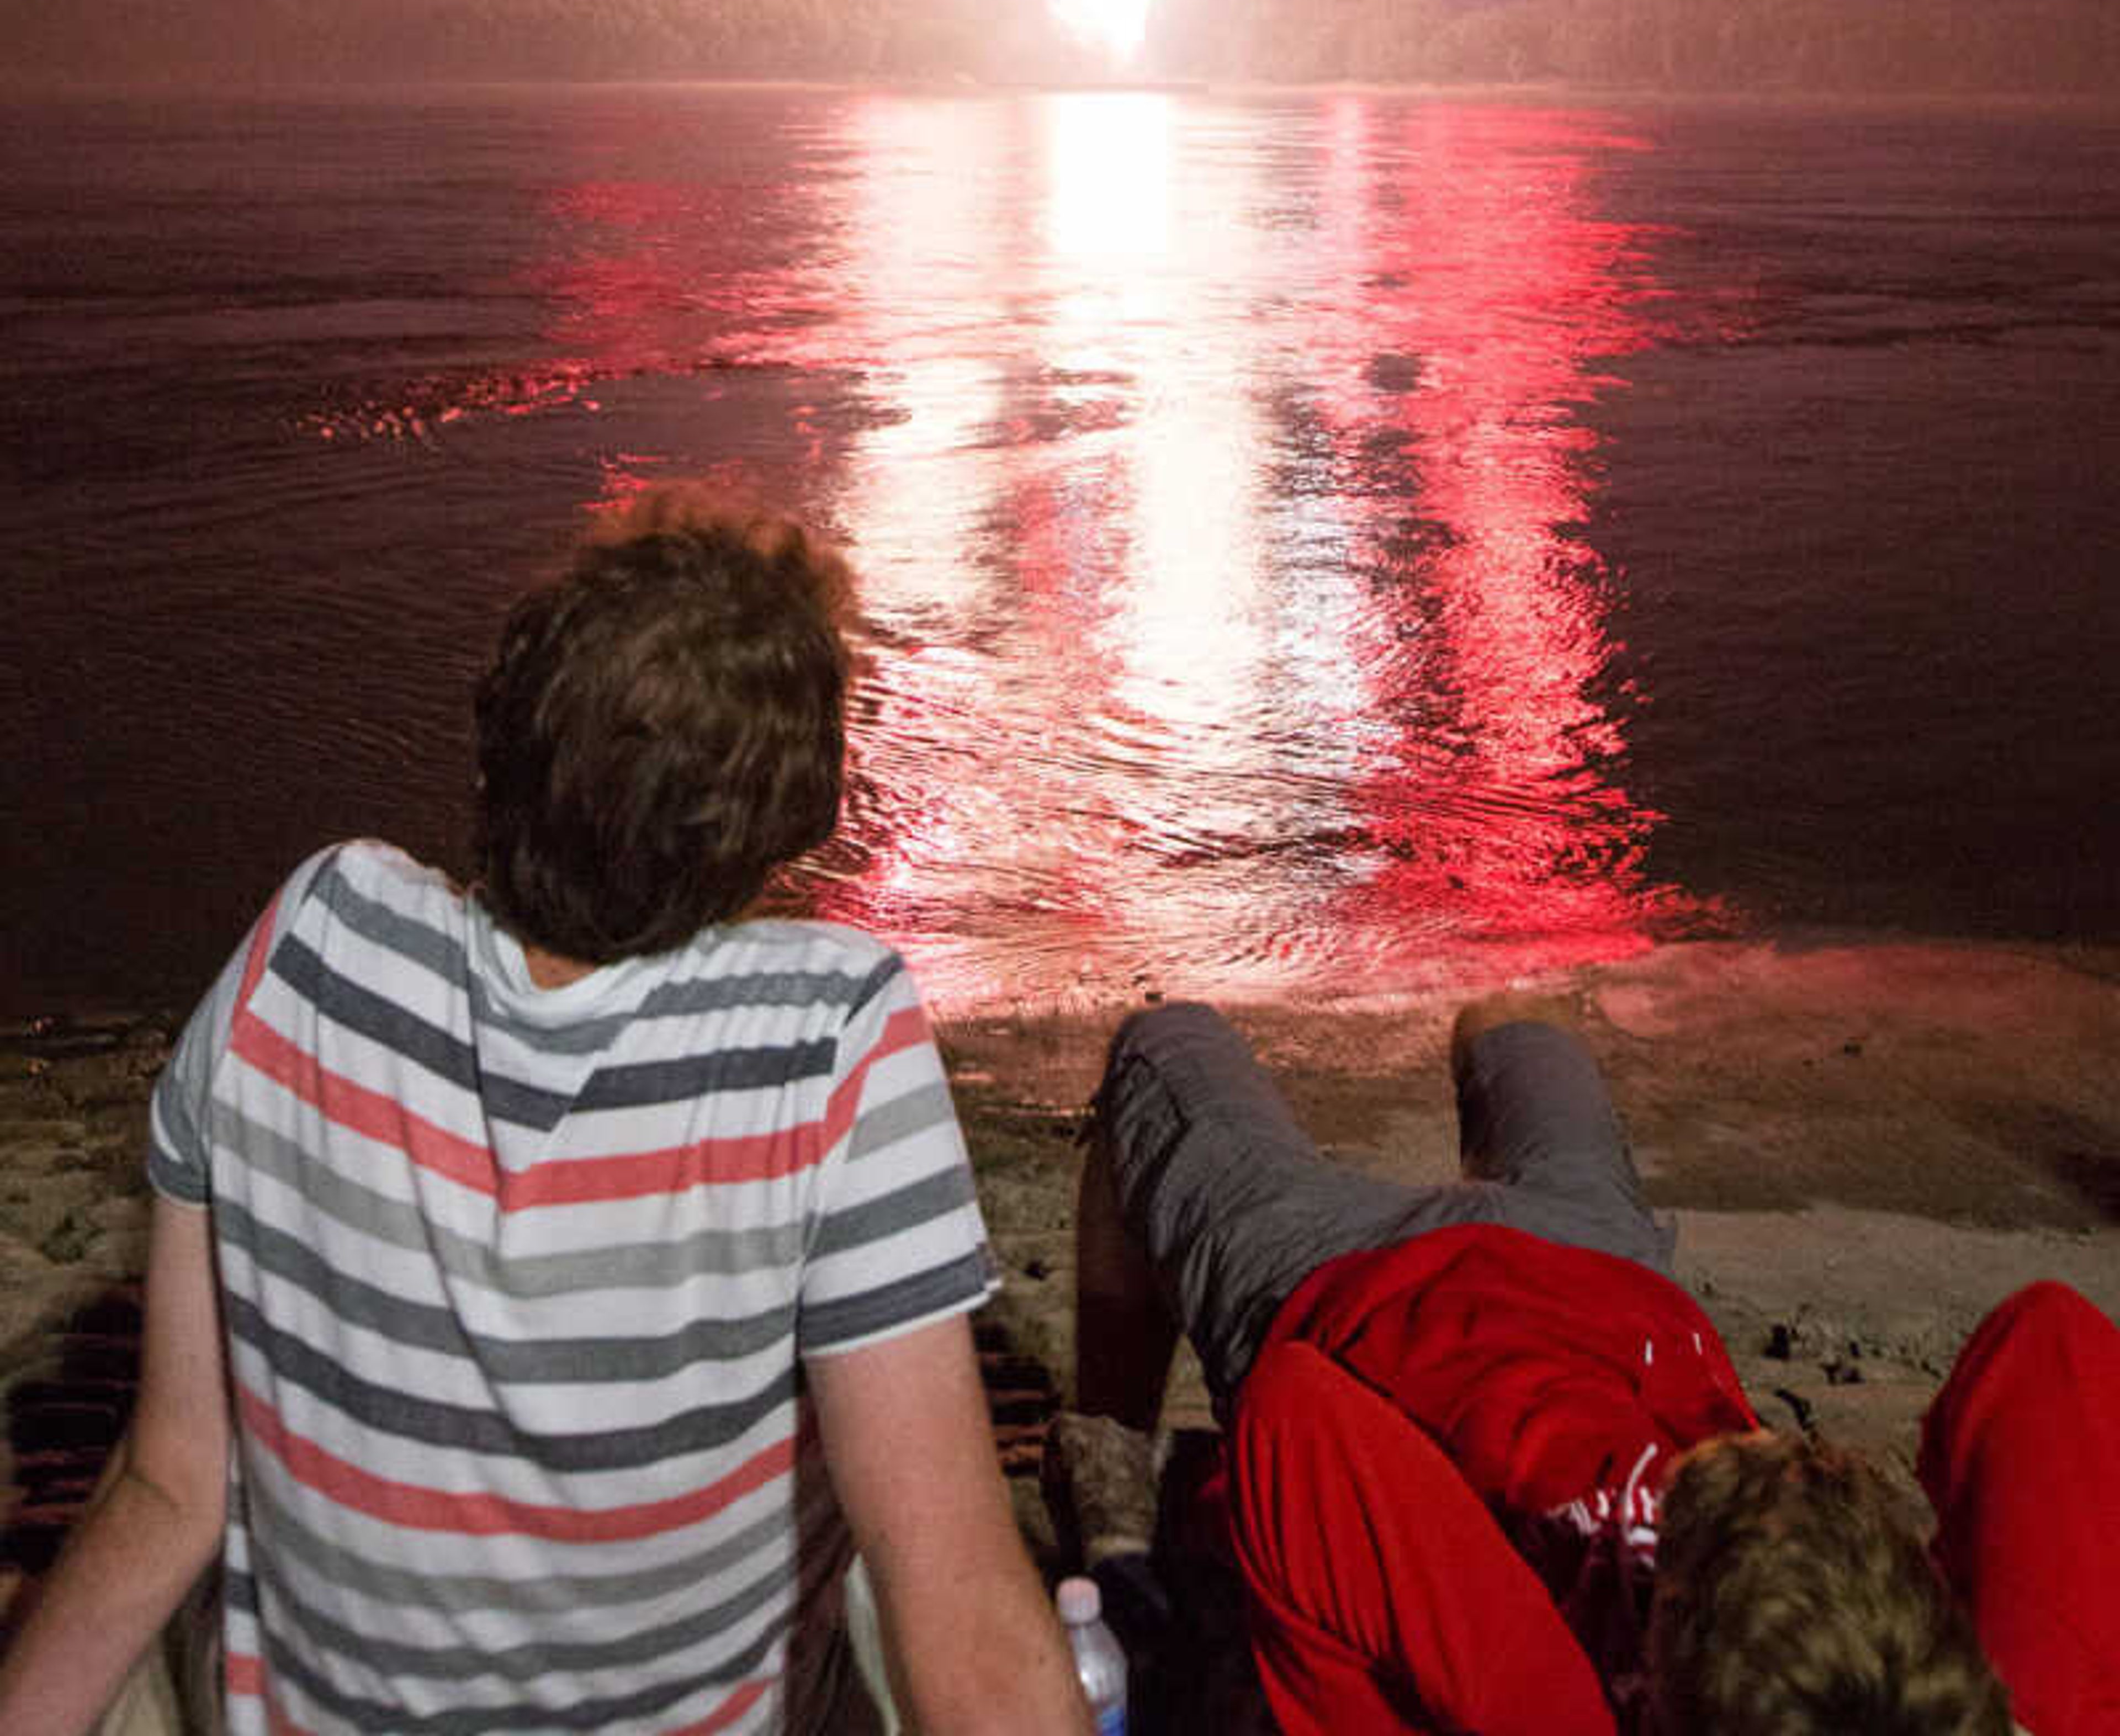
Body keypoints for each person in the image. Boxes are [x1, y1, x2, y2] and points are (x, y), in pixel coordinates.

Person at [0, 499, 1089, 1736]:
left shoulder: (308, 942)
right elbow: (954, 1602)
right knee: (919, 1575)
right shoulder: (829, 1036)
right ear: (783, 832)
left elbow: (165, 1488)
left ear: (496, 746)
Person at [1074, 995, 2050, 1735]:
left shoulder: (1545, 1705)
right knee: (1515, 1023)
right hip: (1601, 1274)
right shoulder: (1935, 1701)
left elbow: (1296, 1413)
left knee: (1163, 1046)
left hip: (1350, 1286)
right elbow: (2051, 1342)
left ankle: (1099, 1439)